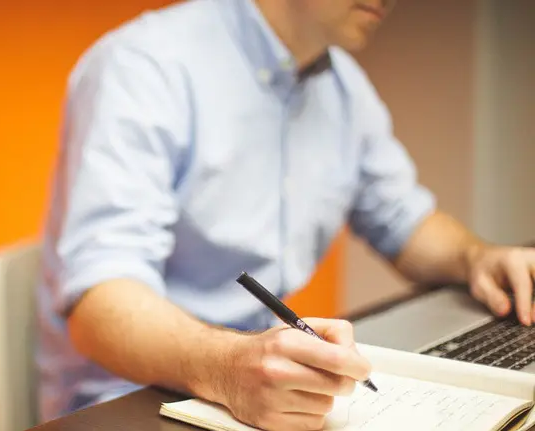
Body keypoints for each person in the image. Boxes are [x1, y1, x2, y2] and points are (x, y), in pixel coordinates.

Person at [34, 0, 535, 429]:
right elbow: (99, 306)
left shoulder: (342, 87)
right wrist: (228, 369)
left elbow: (403, 220)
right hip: (133, 401)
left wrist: (477, 257)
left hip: (260, 386)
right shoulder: (144, 66)